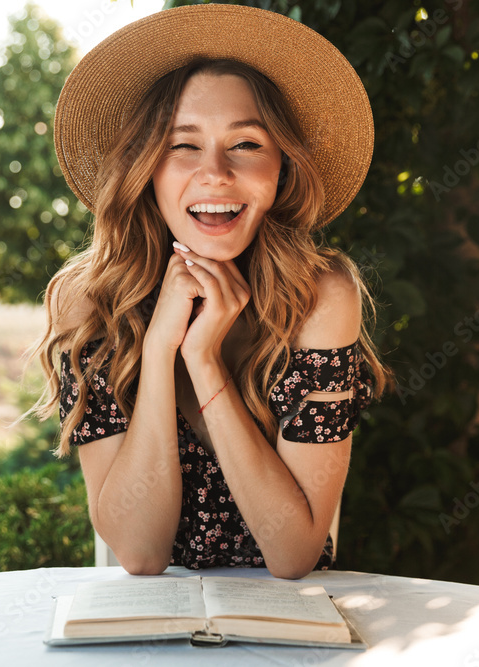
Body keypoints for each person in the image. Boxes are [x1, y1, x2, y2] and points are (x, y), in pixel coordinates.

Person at [29, 3, 390, 580]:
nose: (215, 173)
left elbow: (294, 552)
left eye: (246, 144)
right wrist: (158, 351)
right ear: (146, 168)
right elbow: (141, 554)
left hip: (287, 629)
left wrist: (202, 359)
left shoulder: (322, 297)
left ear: (281, 169)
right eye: (182, 145)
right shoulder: (89, 301)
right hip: (147, 627)